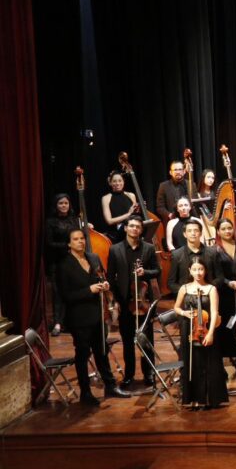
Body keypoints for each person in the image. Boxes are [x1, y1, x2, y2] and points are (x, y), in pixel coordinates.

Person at [56, 228, 132, 404]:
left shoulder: (93, 258)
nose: (81, 242)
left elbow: (101, 277)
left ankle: (110, 386)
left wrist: (104, 285)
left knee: (102, 352)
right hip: (79, 318)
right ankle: (85, 392)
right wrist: (88, 291)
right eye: (76, 239)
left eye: (82, 238)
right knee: (82, 355)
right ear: (69, 243)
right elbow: (65, 296)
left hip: (98, 314)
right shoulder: (64, 265)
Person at [106, 217, 160, 391]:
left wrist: (145, 272)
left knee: (146, 339)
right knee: (128, 340)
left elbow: (157, 271)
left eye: (138, 227)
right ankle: (129, 375)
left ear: (141, 230)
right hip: (124, 301)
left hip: (143, 302)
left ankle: (149, 373)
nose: (135, 229)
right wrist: (114, 301)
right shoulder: (115, 250)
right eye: (132, 226)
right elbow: (111, 277)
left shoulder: (149, 248)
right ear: (126, 228)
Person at [175, 256, 227, 409]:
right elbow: (176, 308)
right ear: (189, 271)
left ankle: (209, 398)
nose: (198, 273)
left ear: (205, 271)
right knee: (193, 364)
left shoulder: (211, 289)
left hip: (206, 329)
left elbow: (214, 312)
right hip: (189, 330)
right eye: (195, 269)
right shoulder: (184, 288)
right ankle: (193, 398)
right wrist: (184, 314)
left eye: (201, 269)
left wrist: (210, 333)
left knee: (208, 364)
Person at [212, 218, 236, 377]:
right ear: (218, 231)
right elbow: (214, 273)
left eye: (230, 228)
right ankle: (228, 358)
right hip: (225, 293)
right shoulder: (214, 249)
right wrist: (229, 283)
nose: (228, 231)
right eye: (224, 229)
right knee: (227, 327)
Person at [46, 194, 81, 336]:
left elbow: (79, 237)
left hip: (72, 261)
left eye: (66, 203)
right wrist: (67, 246)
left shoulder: (74, 220)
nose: (64, 205)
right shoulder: (50, 222)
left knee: (73, 292)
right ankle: (58, 324)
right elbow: (49, 243)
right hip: (57, 261)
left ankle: (72, 322)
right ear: (56, 205)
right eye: (61, 203)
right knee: (58, 293)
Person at [101, 171, 139, 242]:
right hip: (116, 234)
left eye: (120, 181)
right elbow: (109, 221)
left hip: (131, 231)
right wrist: (128, 214)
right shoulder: (106, 198)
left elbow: (134, 215)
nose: (118, 183)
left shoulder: (131, 195)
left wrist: (140, 209)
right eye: (114, 181)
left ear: (123, 182)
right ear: (110, 183)